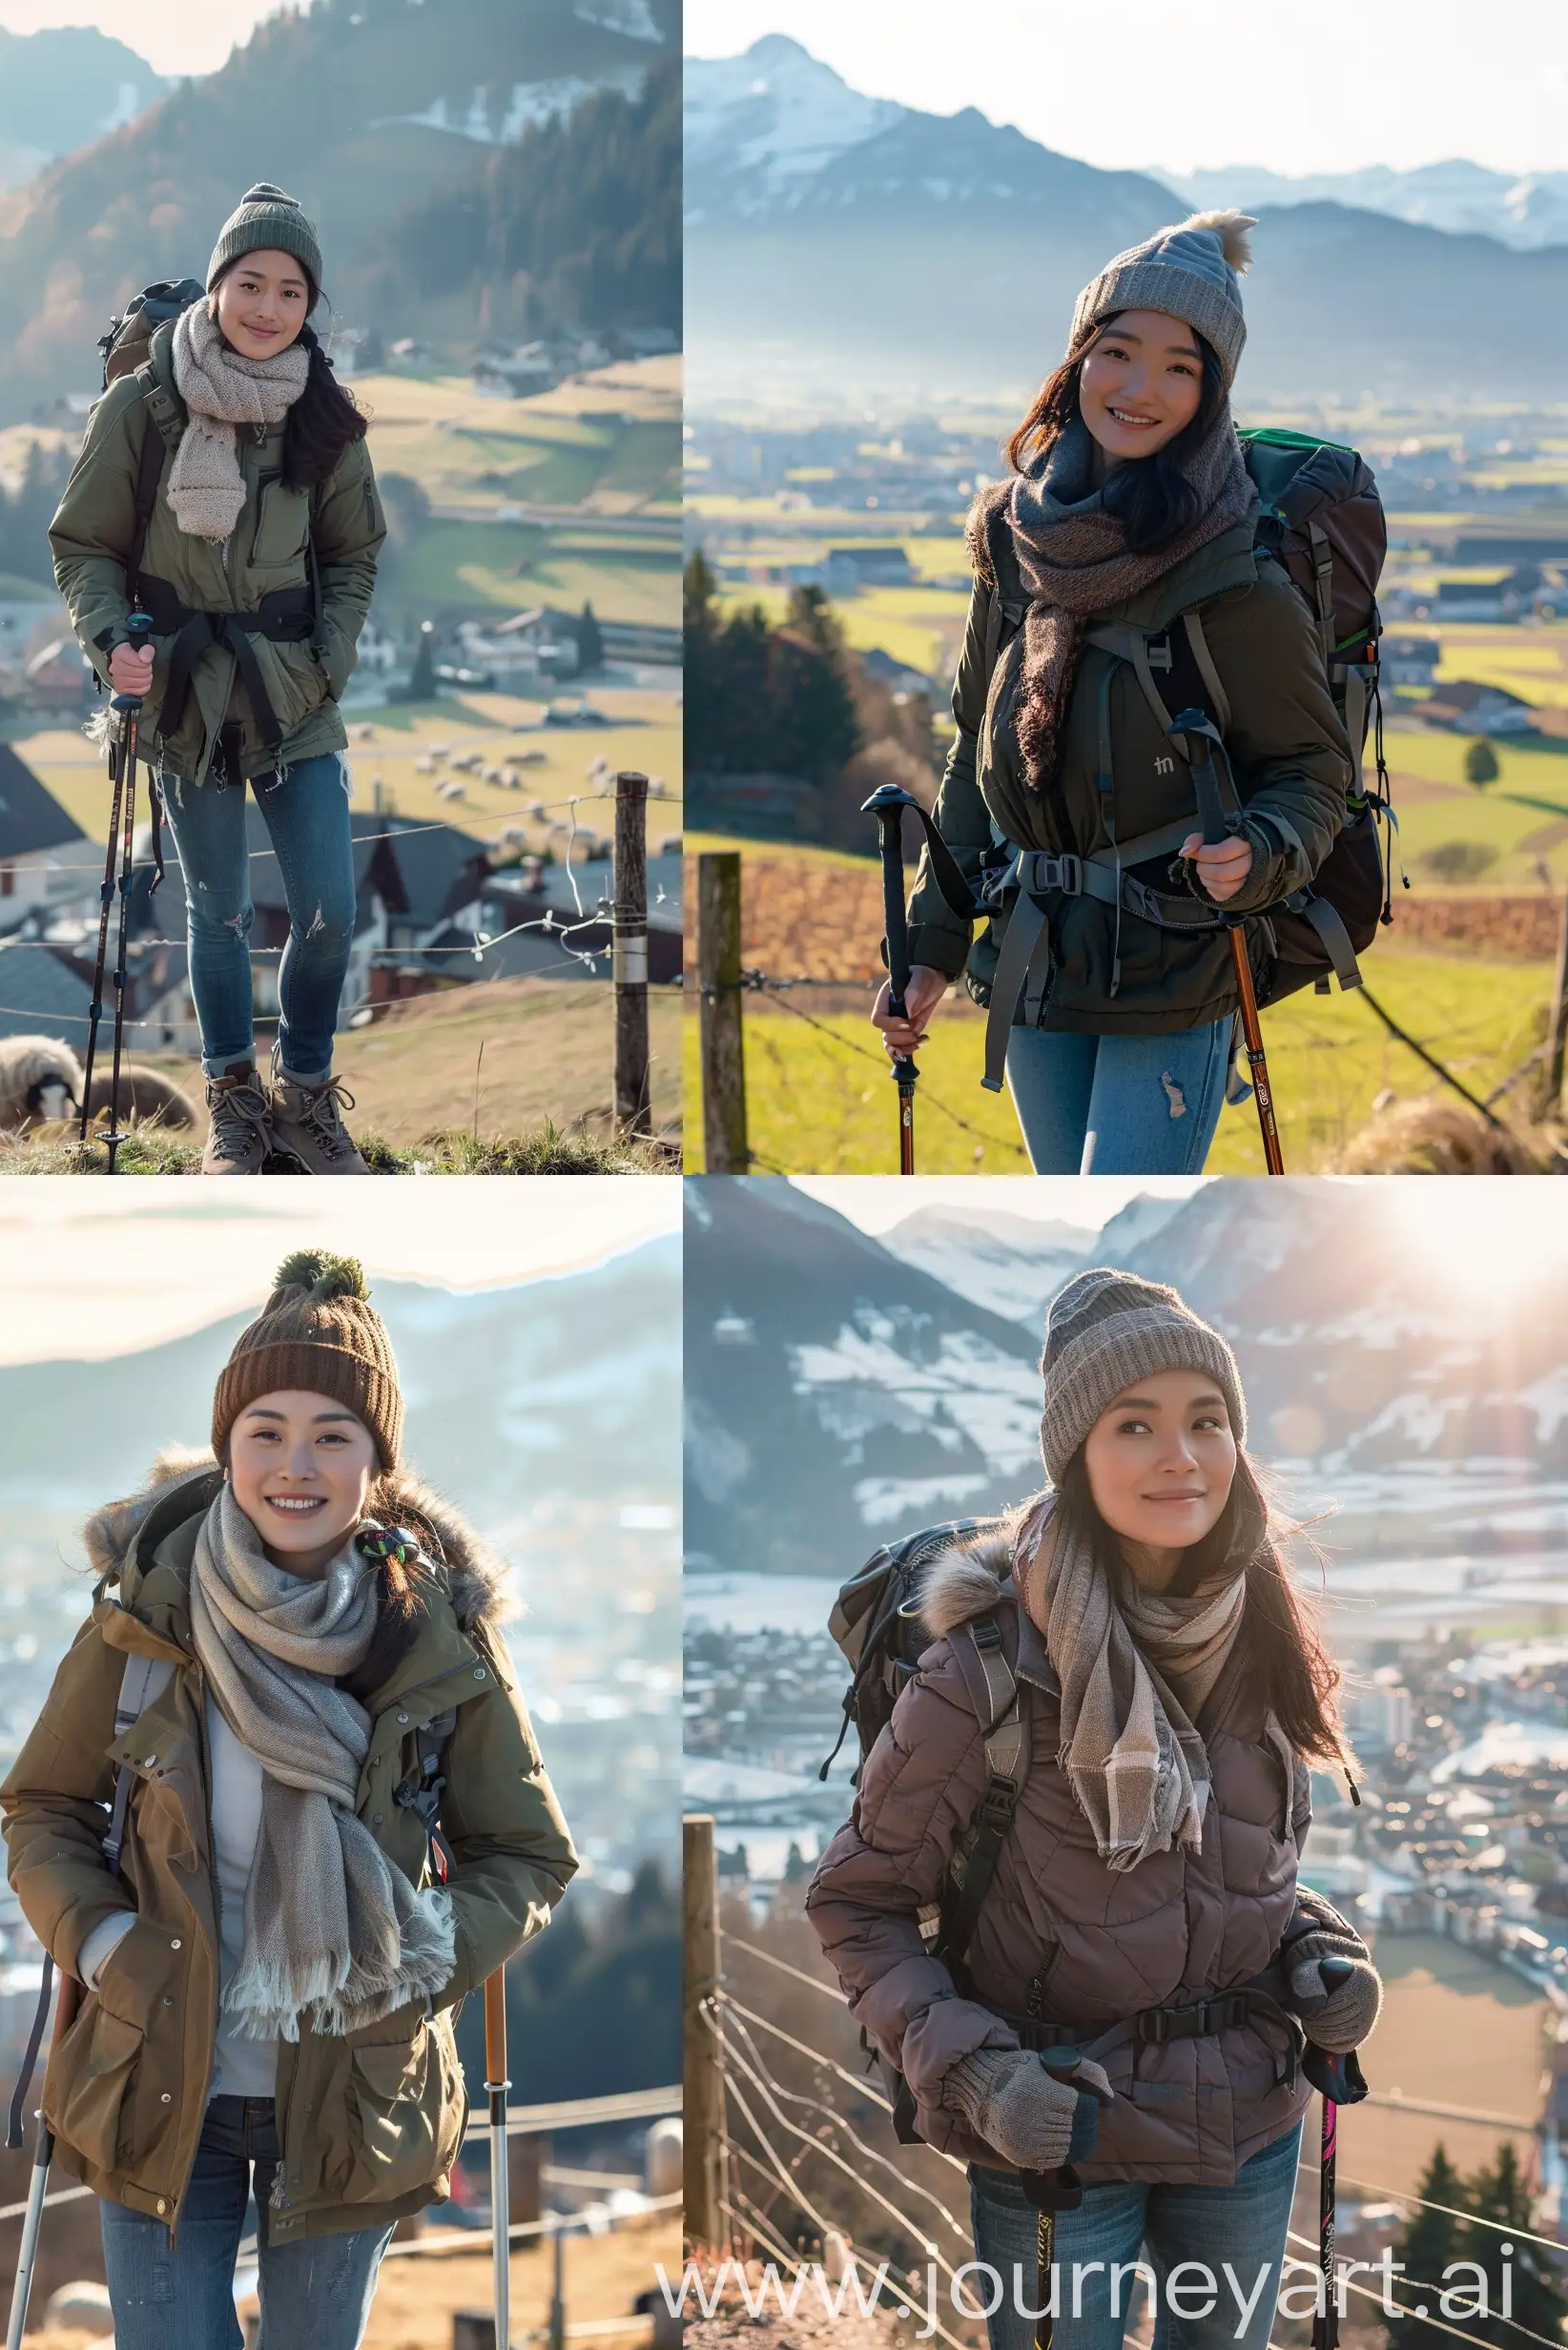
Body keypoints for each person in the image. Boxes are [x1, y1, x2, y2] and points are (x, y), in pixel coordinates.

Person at [0, 1251, 576, 2350]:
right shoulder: (146, 1618)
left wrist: (414, 1961)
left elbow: (527, 1852)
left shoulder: (434, 1639)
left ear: (377, 1461)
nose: (293, 1464)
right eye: (264, 1429)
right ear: (227, 1445)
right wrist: (107, 1940)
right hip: (156, 2069)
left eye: (331, 1434)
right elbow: (43, 1805)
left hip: (357, 2087)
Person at [807, 1268, 1380, 2350]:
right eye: (1135, 1424)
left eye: (1205, 1420)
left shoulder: (1257, 1633)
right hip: (1058, 2128)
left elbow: (1236, 1869)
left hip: (1245, 2121)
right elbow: (856, 1903)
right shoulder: (981, 1673)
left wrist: (1313, 1953)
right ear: (1075, 1455)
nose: (1180, 1454)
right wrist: (978, 2073)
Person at [871, 214, 1352, 1174]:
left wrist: (1256, 853)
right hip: (1038, 960)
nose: (1139, 389)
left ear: (1210, 393)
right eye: (1117, 352)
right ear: (1074, 360)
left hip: (1178, 964)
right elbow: (976, 751)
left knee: (1113, 1208)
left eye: (1179, 367)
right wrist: (928, 946)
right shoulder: (1012, 543)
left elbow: (1310, 770)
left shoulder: (1232, 576)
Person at [52, 186, 387, 1175]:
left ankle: (308, 1091)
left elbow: (356, 554)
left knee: (328, 908)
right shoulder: (141, 405)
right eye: (251, 282)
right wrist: (111, 638)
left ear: (308, 304)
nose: (269, 306)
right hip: (184, 695)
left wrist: (326, 661)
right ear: (218, 283)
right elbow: (84, 547)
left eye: (291, 290)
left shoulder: (324, 418)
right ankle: (234, 1103)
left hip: (292, 693)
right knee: (221, 914)